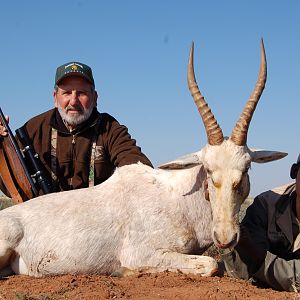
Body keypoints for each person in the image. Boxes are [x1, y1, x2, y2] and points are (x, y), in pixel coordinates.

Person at [0, 61, 152, 196]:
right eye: (66, 93)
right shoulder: (33, 129)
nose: (73, 101)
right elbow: (11, 188)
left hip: (97, 220)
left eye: (81, 93)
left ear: (95, 98)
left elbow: (139, 169)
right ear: (55, 97)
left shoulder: (110, 128)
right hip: (45, 221)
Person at [221, 154, 300, 292]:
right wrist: (222, 211)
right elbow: (241, 271)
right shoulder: (266, 205)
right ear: (294, 172)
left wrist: (258, 257)